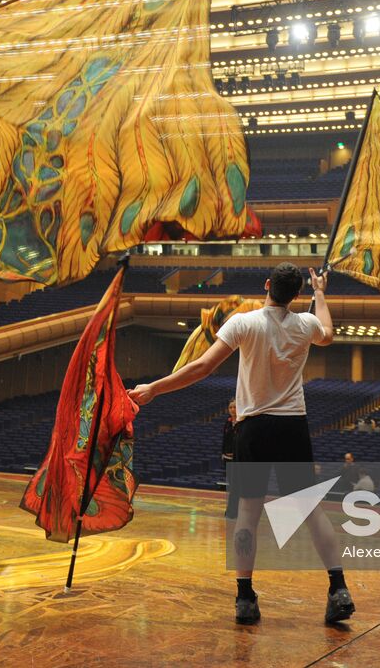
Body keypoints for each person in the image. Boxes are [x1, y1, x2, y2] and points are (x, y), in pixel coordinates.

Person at [129, 263, 354, 627]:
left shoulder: (244, 323)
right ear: (296, 295)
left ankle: (245, 597)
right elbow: (327, 331)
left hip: (254, 428)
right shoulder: (305, 325)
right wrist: (321, 292)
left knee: (248, 513)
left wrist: (154, 388)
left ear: (267, 285)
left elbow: (202, 367)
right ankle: (339, 588)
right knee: (311, 511)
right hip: (292, 426)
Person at [221, 400, 238, 519]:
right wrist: (223, 453)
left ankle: (232, 511)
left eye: (235, 407)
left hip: (238, 459)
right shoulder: (227, 422)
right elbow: (224, 439)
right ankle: (232, 510)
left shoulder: (243, 422)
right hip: (227, 458)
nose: (232, 409)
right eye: (230, 407)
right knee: (233, 486)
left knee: (236, 486)